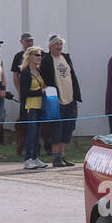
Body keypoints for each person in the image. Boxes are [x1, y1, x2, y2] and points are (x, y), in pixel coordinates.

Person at [40, 35, 82, 167]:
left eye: (60, 44)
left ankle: (63, 155)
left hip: (70, 98)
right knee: (57, 129)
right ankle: (55, 157)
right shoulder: (46, 60)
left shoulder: (66, 57)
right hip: (56, 99)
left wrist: (76, 95)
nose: (59, 47)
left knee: (68, 128)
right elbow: (45, 79)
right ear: (50, 46)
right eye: (56, 44)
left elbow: (72, 76)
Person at [18, 46, 49, 169]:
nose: (39, 57)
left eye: (40, 55)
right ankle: (28, 158)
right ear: (30, 57)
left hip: (40, 106)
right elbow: (24, 92)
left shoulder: (38, 71)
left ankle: (35, 157)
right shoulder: (25, 72)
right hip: (30, 106)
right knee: (31, 133)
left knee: (37, 134)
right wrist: (40, 92)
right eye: (37, 55)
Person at [10, 33, 33, 158]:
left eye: (31, 40)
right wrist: (19, 92)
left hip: (37, 94)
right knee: (25, 122)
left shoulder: (38, 54)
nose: (29, 43)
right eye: (27, 41)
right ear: (22, 42)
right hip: (25, 95)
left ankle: (41, 146)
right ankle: (22, 147)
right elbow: (15, 75)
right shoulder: (19, 56)